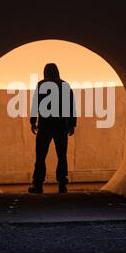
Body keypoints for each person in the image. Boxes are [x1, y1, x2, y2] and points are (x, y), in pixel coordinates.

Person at [28, 63, 76, 193]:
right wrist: (72, 124)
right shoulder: (65, 85)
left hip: (45, 125)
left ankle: (38, 184)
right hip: (61, 126)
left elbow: (35, 104)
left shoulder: (41, 85)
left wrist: (33, 121)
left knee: (40, 155)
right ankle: (62, 183)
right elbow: (71, 106)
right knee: (61, 155)